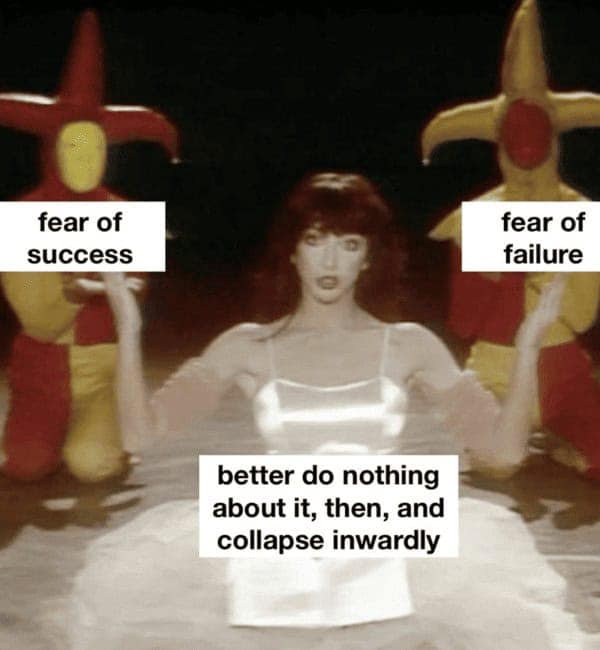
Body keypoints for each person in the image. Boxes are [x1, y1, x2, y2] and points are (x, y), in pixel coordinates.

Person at [64, 173, 586, 648]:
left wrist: (528, 348)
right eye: (316, 241)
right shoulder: (249, 345)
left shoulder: (409, 344)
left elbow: (503, 451)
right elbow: (140, 435)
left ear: (369, 258)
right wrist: (129, 329)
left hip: (388, 542)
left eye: (349, 244)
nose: (331, 262)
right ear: (293, 252)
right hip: (274, 542)